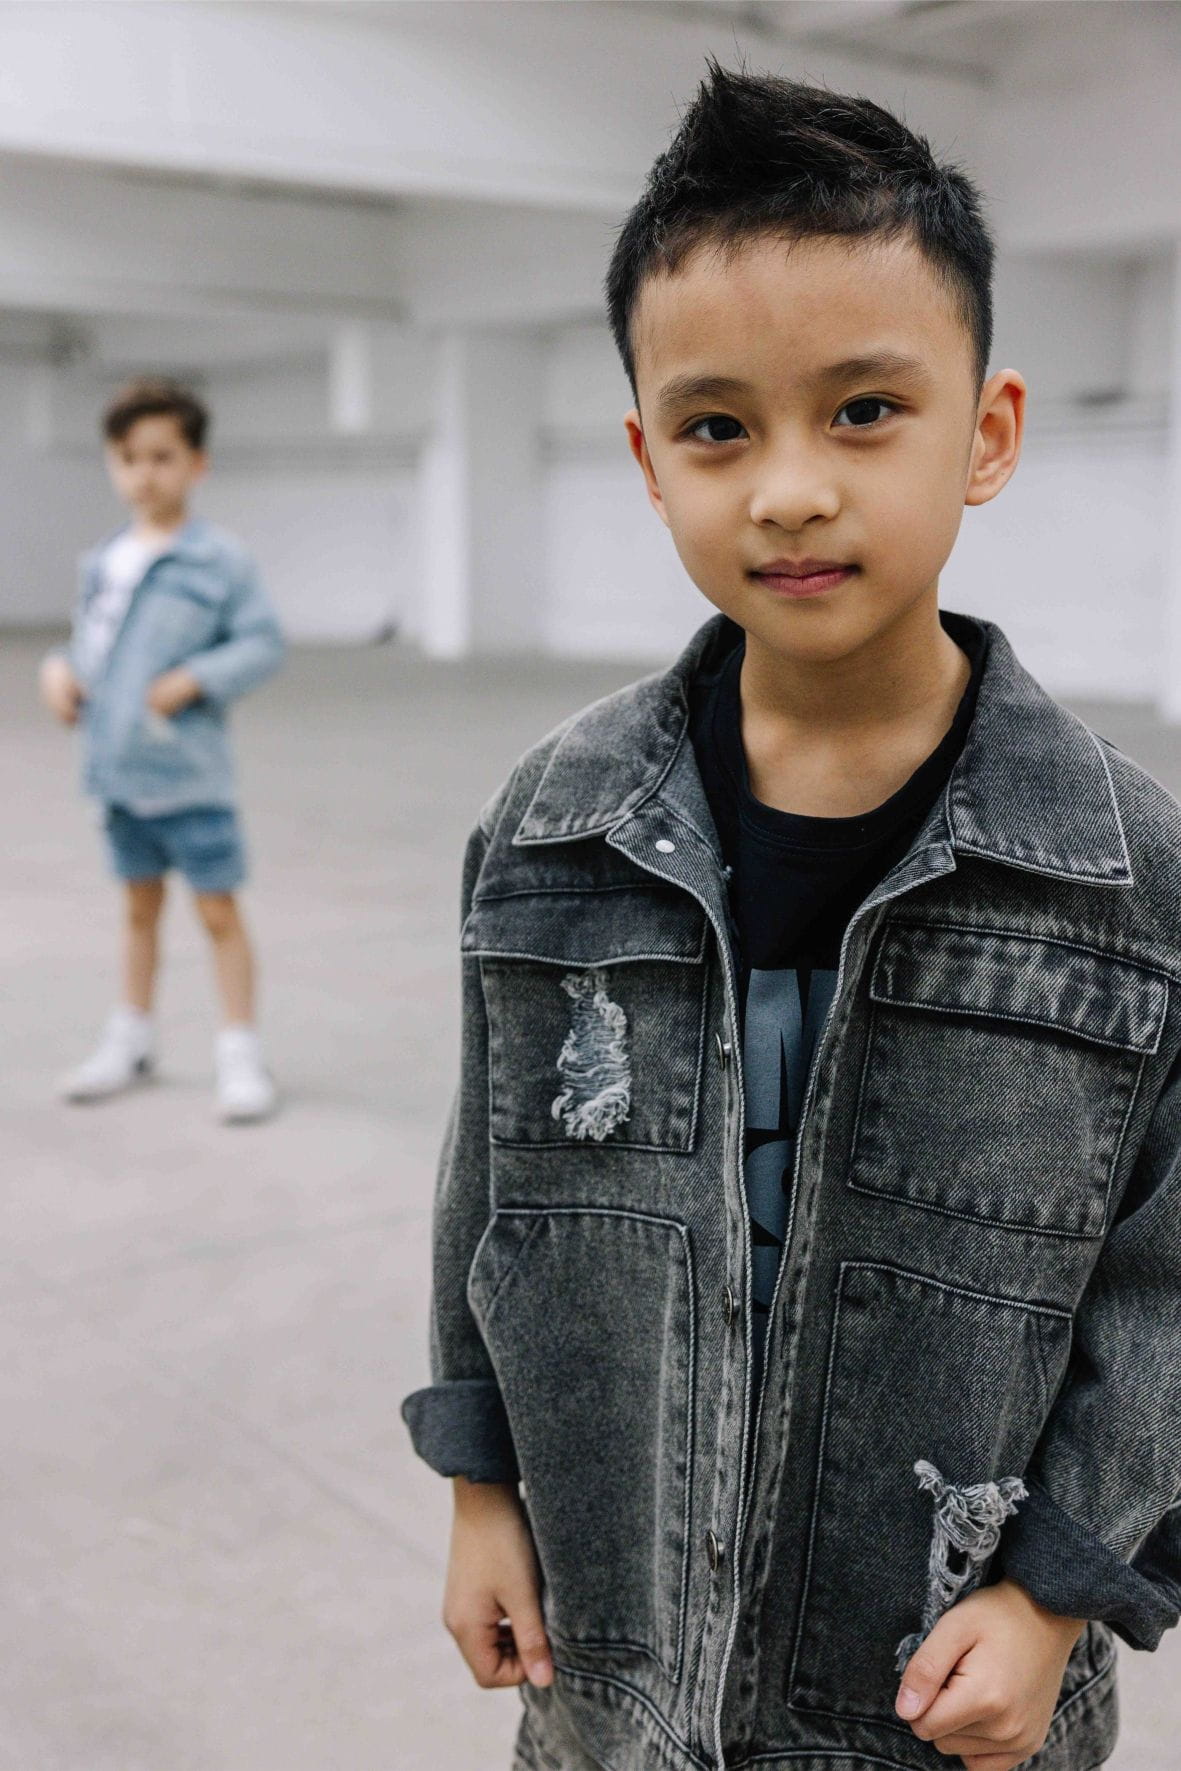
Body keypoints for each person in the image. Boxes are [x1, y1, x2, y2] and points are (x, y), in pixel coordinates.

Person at [401, 63, 1181, 1771]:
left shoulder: (1130, 870)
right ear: (646, 459)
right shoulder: (551, 826)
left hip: (937, 1691)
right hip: (614, 1665)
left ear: (987, 432)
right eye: (717, 429)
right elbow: (490, 1187)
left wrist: (1055, 1593)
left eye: (863, 410)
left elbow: (1168, 1285)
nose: (788, 489)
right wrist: (478, 1478)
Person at [39, 377, 285, 1123]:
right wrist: (59, 671)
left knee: (217, 911)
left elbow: (262, 642)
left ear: (195, 464)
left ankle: (239, 1051)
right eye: (127, 458)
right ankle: (131, 1039)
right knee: (138, 908)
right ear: (111, 465)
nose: (143, 473)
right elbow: (91, 647)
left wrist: (195, 678)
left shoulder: (218, 561)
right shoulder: (104, 560)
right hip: (116, 774)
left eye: (161, 456)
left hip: (188, 775)